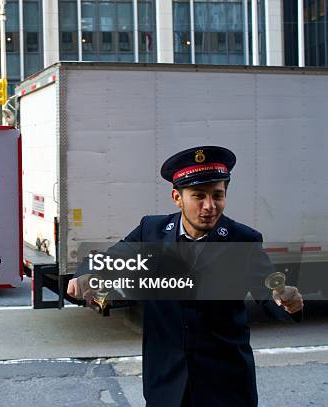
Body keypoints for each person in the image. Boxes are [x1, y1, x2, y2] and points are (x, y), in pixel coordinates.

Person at [67, 146, 304, 407]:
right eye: (198, 196)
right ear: (177, 197)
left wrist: (285, 302)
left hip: (226, 386)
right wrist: (85, 275)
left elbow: (268, 292)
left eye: (218, 195)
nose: (210, 206)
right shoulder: (151, 232)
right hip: (167, 384)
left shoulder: (242, 240)